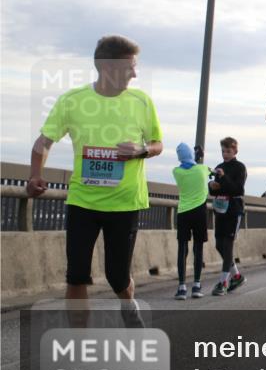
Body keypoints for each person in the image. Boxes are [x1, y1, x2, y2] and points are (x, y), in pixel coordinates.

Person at [27, 35, 163, 326]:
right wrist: (35, 175)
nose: (135, 74)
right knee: (76, 275)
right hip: (82, 201)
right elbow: (43, 142)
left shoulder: (142, 101)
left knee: (116, 277)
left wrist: (140, 151)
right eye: (130, 67)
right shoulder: (73, 101)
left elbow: (157, 144)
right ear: (107, 67)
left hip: (125, 203)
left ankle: (128, 302)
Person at [208, 137, 247, 295]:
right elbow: (216, 190)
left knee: (228, 244)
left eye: (228, 151)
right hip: (220, 209)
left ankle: (223, 282)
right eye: (223, 151)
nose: (225, 154)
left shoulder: (239, 167)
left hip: (234, 209)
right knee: (219, 244)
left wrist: (223, 178)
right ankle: (236, 276)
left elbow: (238, 189)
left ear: (235, 151)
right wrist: (212, 186)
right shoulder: (219, 167)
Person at [172, 142, 210, 299]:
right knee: (198, 248)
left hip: (183, 212)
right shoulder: (202, 169)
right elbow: (210, 171)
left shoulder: (176, 172)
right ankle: (196, 285)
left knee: (182, 249)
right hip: (199, 211)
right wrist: (199, 156)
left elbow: (188, 165)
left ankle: (181, 287)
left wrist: (194, 157)